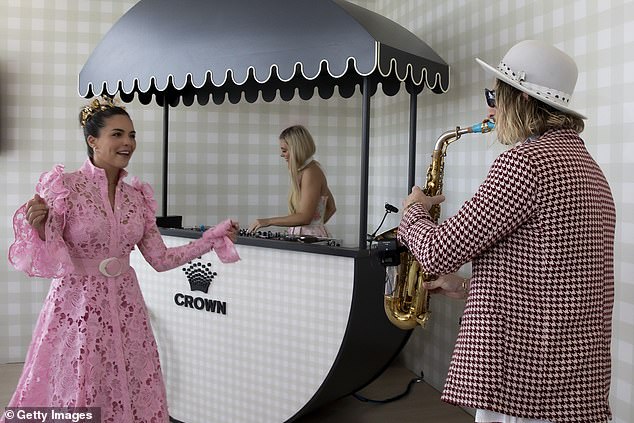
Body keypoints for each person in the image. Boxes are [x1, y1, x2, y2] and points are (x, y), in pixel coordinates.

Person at [397, 40, 615, 423]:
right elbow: (557, 277)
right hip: (573, 379)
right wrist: (468, 286)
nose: (489, 108)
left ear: (521, 100)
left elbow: (434, 252)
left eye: (494, 96)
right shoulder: (588, 168)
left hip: (524, 378)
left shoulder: (525, 162)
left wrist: (414, 211)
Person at [4, 96, 240, 423]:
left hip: (127, 308)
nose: (128, 142)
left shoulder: (138, 197)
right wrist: (40, 227)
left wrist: (210, 241)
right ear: (92, 141)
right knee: (81, 384)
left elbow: (160, 258)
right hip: (77, 307)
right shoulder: (65, 186)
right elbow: (50, 260)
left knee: (128, 382)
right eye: (117, 134)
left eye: (131, 135)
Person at [248, 125, 336, 237]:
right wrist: (316, 226)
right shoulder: (310, 170)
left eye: (284, 150)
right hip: (307, 237)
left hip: (309, 241)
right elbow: (331, 207)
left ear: (296, 149)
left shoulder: (310, 173)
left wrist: (267, 221)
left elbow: (305, 217)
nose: (281, 154)